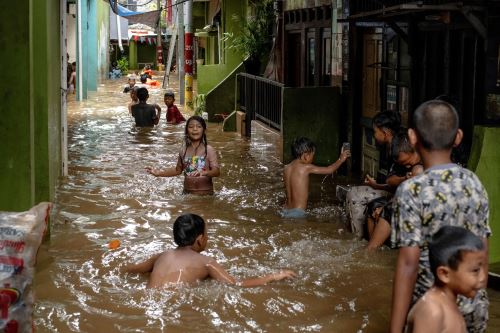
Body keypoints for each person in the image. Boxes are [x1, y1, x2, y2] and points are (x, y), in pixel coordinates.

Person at [390, 100, 491, 333]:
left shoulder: (412, 190)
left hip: (433, 311)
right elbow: (482, 246)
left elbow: (408, 263)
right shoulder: (474, 183)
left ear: (412, 138)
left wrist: (394, 330)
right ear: (458, 137)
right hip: (473, 305)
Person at [125, 214, 297, 288]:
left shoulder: (162, 256)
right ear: (200, 240)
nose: (207, 238)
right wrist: (273, 276)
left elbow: (133, 269)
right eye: (207, 234)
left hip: (148, 297)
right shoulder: (206, 262)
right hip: (173, 302)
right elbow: (235, 284)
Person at [405, 226, 486, 333]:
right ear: (444, 274)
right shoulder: (432, 311)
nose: (483, 277)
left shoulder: (449, 304)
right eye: (475, 270)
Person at [345, 111, 401, 237]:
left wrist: (386, 206)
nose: (374, 135)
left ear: (385, 133)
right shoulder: (390, 146)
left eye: (375, 131)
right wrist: (376, 185)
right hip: (394, 194)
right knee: (354, 191)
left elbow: (403, 186)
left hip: (399, 198)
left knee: (354, 195)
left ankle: (357, 238)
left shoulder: (399, 150)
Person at [145, 116, 220, 195]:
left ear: (204, 130)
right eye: (191, 127)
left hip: (205, 195)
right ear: (187, 131)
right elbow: (177, 170)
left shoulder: (208, 150)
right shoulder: (183, 150)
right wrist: (159, 173)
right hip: (187, 194)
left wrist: (204, 172)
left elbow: (217, 172)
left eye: (199, 126)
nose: (195, 129)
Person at [282, 137, 350, 218]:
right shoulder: (306, 167)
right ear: (306, 156)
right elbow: (329, 170)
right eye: (312, 155)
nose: (313, 158)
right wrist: (341, 159)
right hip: (297, 212)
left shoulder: (287, 168)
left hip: (285, 210)